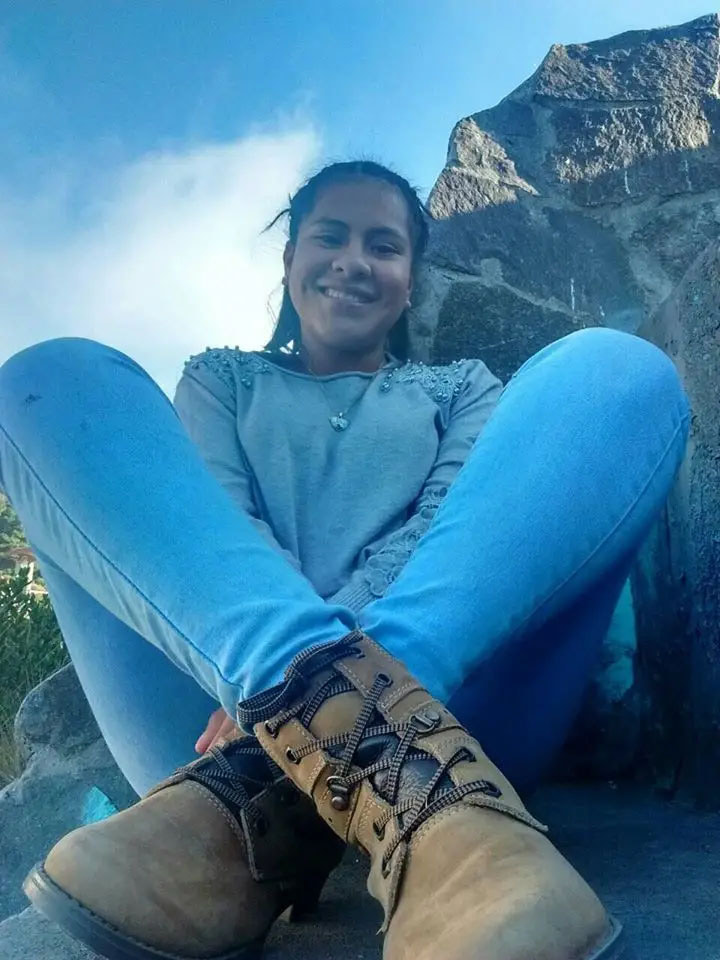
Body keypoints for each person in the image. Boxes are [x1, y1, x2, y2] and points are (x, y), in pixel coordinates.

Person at [0, 159, 690, 960]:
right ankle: (305, 746)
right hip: (201, 730)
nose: (353, 261)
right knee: (50, 379)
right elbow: (217, 535)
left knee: (617, 372)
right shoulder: (220, 380)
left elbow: (440, 530)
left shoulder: (460, 388)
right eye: (331, 236)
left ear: (410, 280)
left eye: (383, 246)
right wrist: (258, 663)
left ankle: (329, 759)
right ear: (290, 259)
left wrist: (285, 691)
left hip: (456, 721)